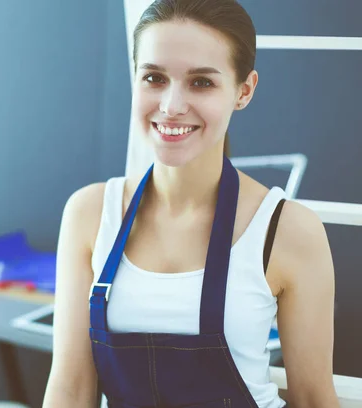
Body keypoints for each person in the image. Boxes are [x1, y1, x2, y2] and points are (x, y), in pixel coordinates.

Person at [42, 0, 339, 407]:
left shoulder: (288, 230)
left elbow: (312, 399)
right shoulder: (90, 213)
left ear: (244, 90)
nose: (171, 105)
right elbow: (70, 391)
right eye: (154, 78)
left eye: (201, 82)